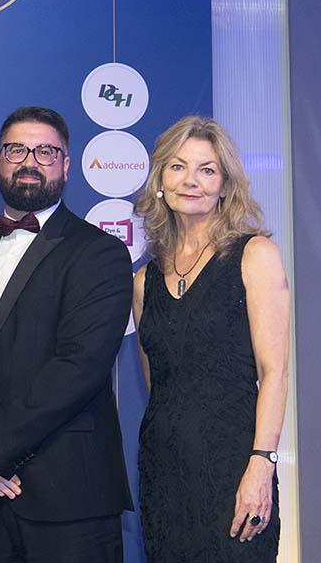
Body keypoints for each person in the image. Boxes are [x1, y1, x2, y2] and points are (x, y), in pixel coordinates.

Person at [0, 106, 134, 563]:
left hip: (71, 499)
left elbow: (79, 367)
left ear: (66, 163)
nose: (30, 161)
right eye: (16, 149)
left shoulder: (100, 253)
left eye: (45, 151)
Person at [132, 116, 289, 562]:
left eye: (207, 169)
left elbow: (274, 371)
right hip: (164, 473)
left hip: (236, 469)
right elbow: (158, 385)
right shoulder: (144, 282)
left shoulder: (255, 255)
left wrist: (263, 463)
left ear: (225, 185)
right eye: (178, 167)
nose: (192, 181)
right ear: (160, 179)